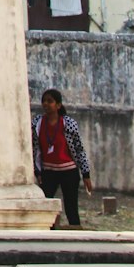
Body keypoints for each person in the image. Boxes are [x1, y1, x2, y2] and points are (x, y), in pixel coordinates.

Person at [33, 87, 93, 227]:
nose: (46, 104)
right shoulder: (37, 124)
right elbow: (34, 149)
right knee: (46, 205)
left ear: (58, 105)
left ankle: (76, 235)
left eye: (50, 101)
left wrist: (86, 174)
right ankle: (49, 235)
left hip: (68, 171)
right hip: (49, 172)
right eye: (44, 101)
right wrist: (37, 171)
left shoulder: (68, 124)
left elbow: (79, 149)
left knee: (71, 206)